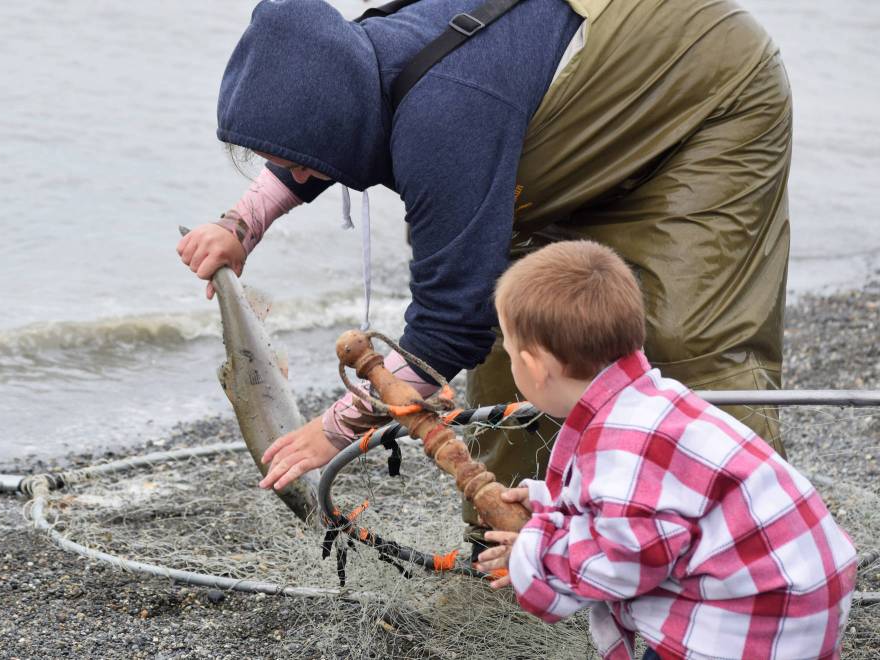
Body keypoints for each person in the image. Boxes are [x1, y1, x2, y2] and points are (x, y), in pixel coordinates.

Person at [177, 0, 793, 552]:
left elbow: (449, 325)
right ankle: (515, 540)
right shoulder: (352, 63)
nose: (296, 172)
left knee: (684, 336)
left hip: (706, 96)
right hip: (546, 122)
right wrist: (242, 223)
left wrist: (334, 429)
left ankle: (746, 534)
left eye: (292, 163)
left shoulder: (444, 115)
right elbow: (315, 138)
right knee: (523, 331)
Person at [472, 240, 856, 660]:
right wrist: (553, 503)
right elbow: (649, 505)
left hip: (753, 622)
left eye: (508, 353)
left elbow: (625, 560)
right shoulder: (651, 400)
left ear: (533, 366)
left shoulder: (619, 445)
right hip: (803, 591)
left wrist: (535, 552)